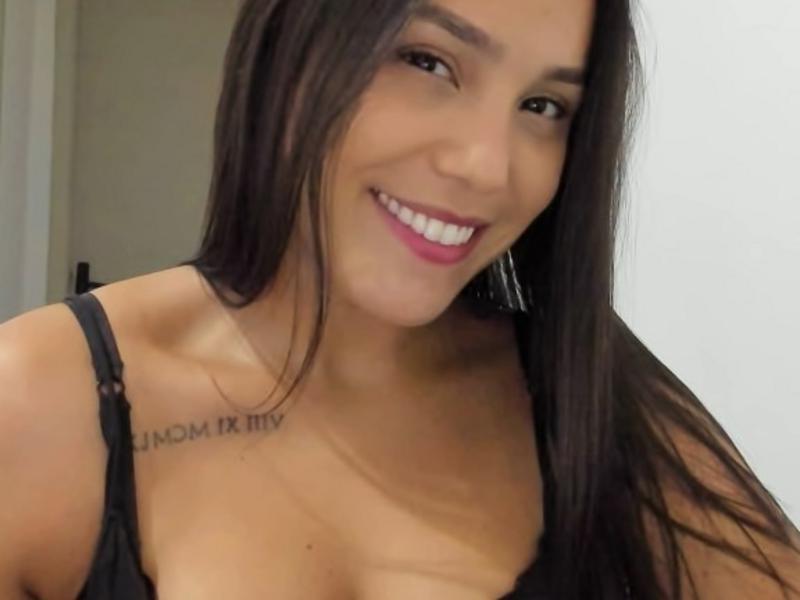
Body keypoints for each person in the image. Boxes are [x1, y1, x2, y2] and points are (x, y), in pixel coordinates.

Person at [1, 0, 798, 598]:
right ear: (297, 39)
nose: (487, 167)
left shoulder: (581, 389)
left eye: (543, 107)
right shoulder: (40, 403)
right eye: (429, 62)